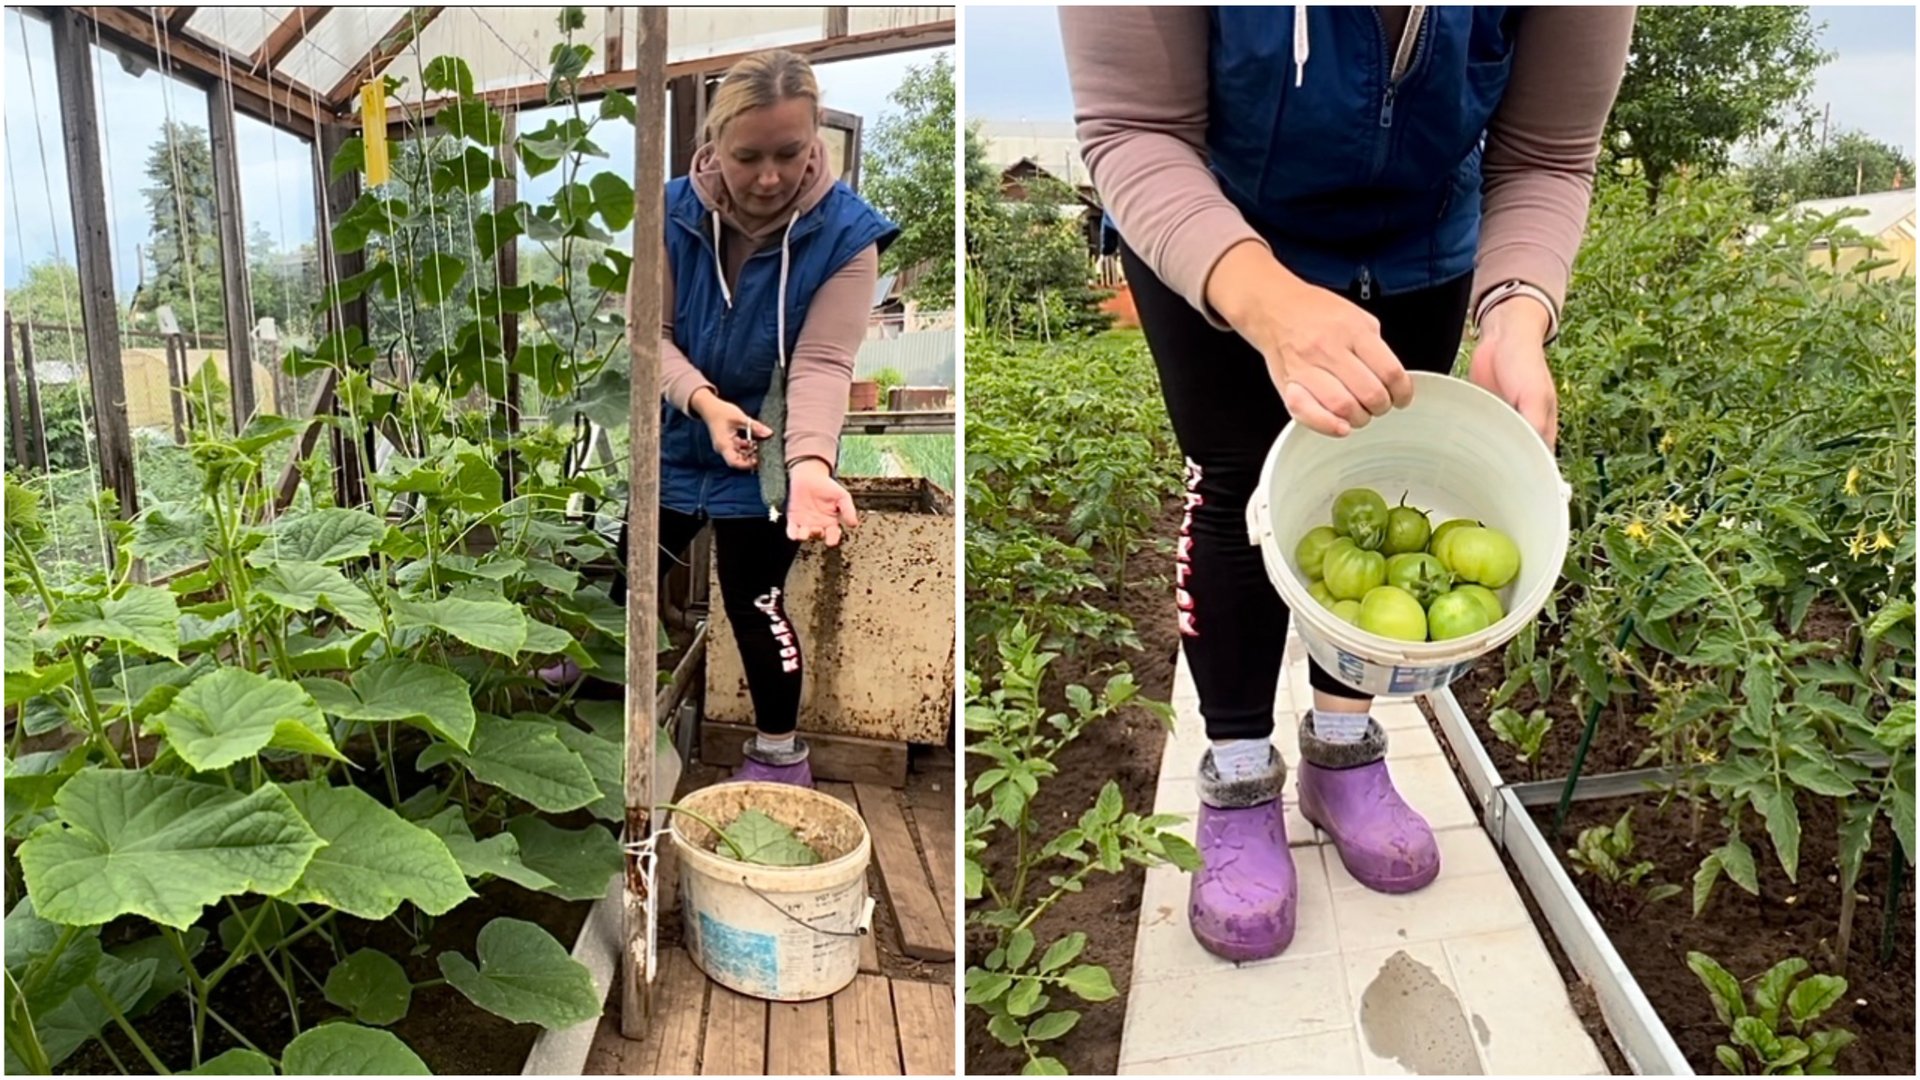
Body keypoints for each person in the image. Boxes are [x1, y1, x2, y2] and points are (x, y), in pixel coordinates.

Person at [1061, 6, 1633, 960]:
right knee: (1235, 481)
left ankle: (1341, 751)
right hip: (1209, 219)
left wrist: (1516, 310)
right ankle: (1239, 776)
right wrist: (1266, 298)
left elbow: (1547, 154)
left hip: (1417, 243)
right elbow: (1135, 128)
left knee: (1368, 476)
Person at [541, 49, 898, 790]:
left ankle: (779, 755)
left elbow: (823, 363)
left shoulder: (845, 235)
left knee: (755, 602)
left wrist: (809, 466)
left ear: (815, 139)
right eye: (748, 157)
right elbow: (650, 337)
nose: (769, 177)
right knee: (633, 577)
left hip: (769, 448)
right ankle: (597, 697)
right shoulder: (668, 213)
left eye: (789, 153)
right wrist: (704, 403)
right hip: (677, 433)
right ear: (714, 143)